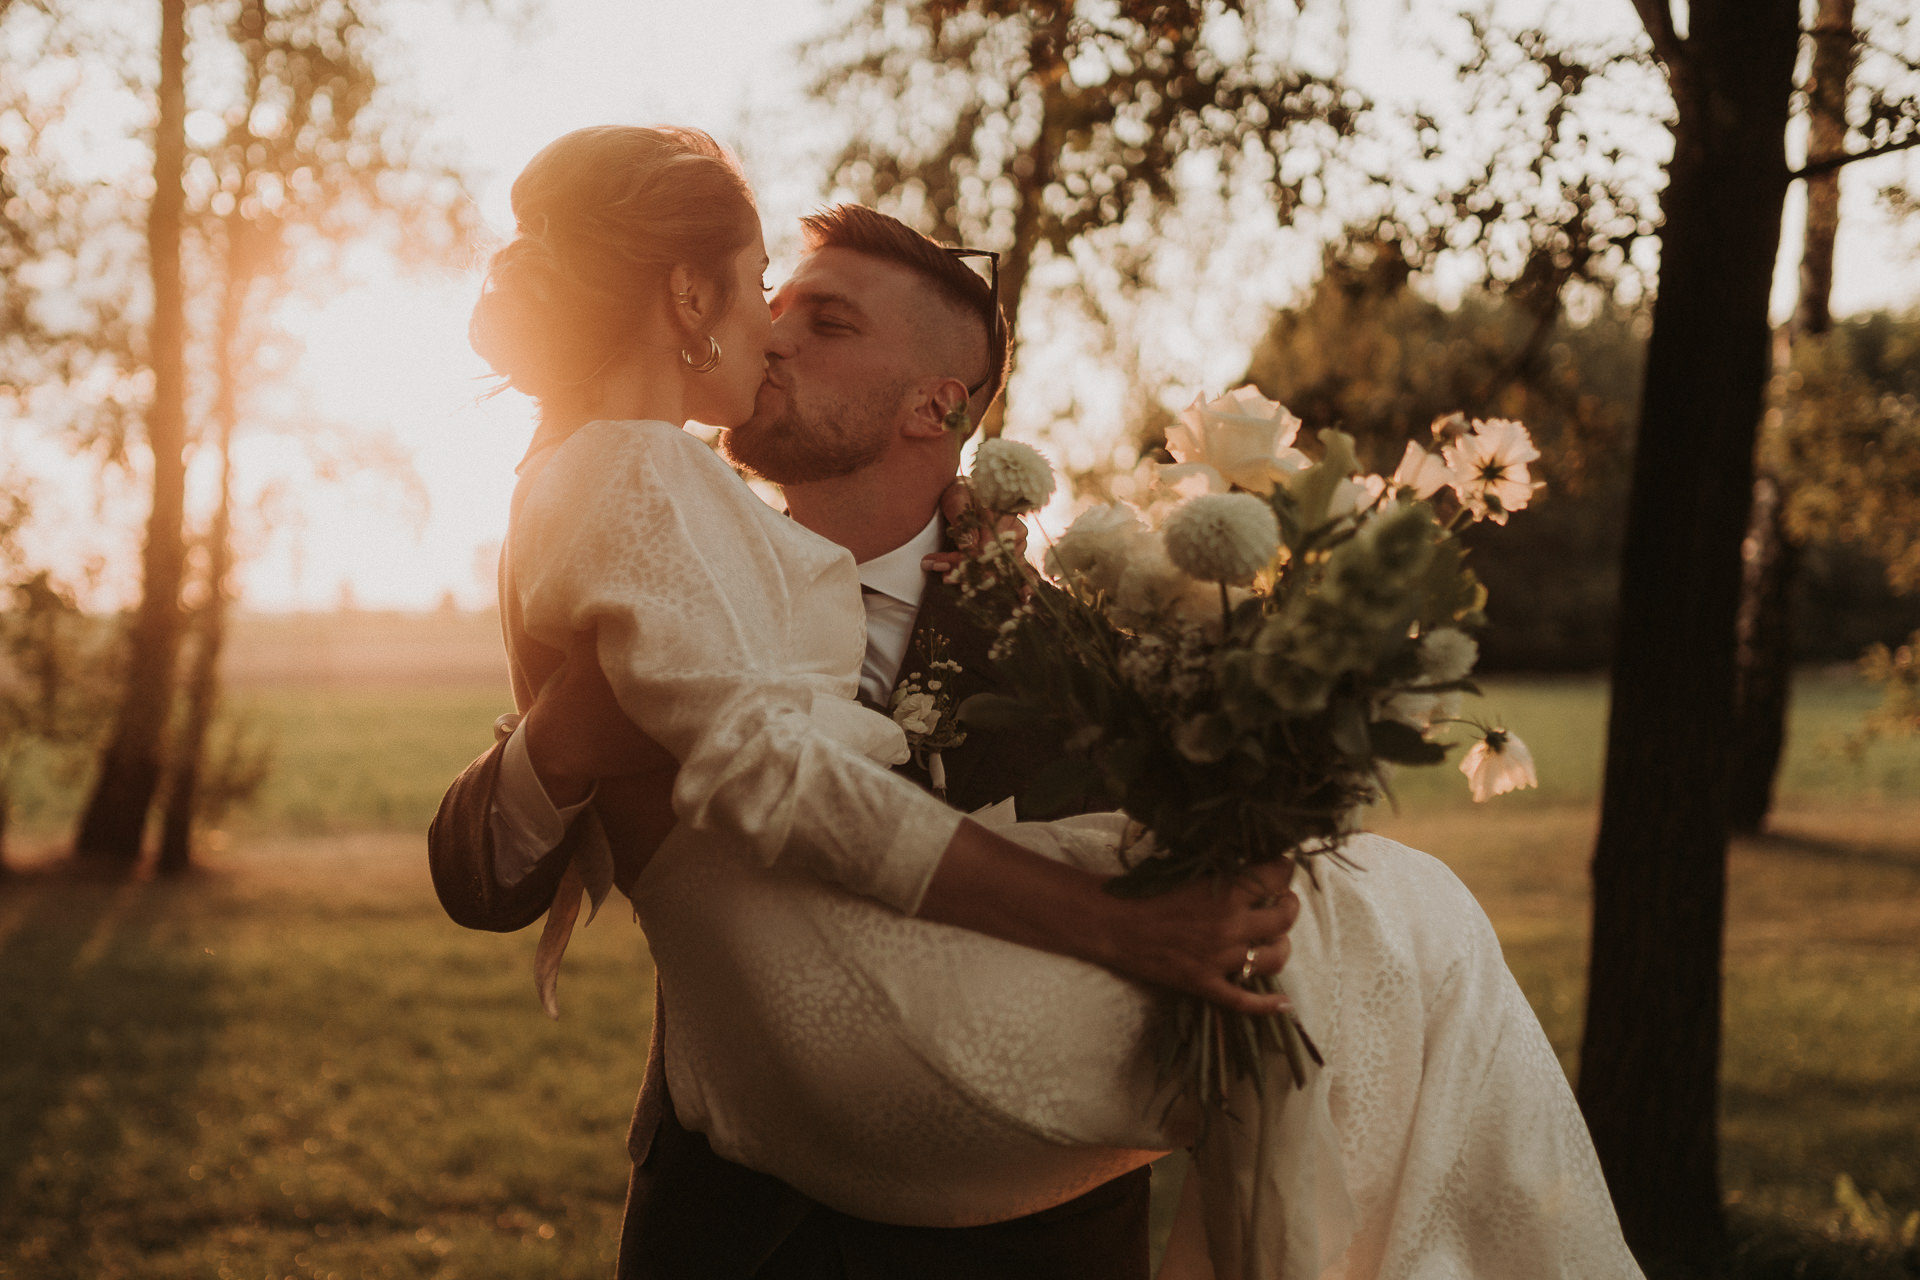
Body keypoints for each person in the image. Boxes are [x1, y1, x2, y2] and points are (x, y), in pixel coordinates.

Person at [432, 125, 1645, 1280]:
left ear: (939, 410)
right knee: (1403, 930)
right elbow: (520, 860)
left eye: (827, 319)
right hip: (762, 1203)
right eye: (772, 293)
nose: (779, 333)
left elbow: (1194, 885)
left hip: (1016, 1232)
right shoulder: (660, 501)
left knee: (1371, 932)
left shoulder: (1082, 641)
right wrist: (559, 742)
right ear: (690, 299)